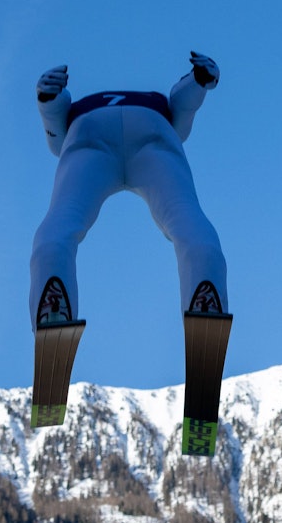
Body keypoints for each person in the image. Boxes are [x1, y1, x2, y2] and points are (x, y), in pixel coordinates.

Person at [29, 51, 228, 328]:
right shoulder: (166, 116)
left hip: (87, 130)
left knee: (59, 227)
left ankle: (52, 307)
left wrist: (48, 102)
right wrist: (197, 83)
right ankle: (206, 295)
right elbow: (182, 113)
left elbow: (56, 142)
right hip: (153, 126)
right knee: (186, 219)